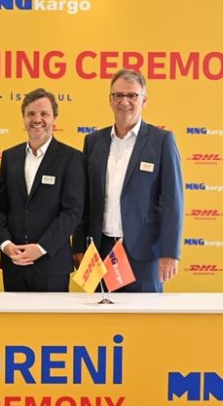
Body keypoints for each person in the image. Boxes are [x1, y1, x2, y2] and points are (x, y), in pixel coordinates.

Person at [74, 68, 183, 292]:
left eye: (132, 95)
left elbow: (173, 202)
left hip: (144, 253)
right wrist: (78, 245)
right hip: (100, 251)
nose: (124, 102)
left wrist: (170, 252)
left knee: (144, 315)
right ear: (110, 100)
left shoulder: (161, 141)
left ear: (144, 100)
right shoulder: (93, 142)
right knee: (100, 313)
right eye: (118, 95)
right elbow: (84, 199)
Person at [0, 88, 84, 292]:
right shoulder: (10, 157)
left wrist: (41, 248)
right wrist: (5, 244)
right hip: (14, 263)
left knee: (52, 316)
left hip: (51, 264)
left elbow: (72, 212)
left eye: (44, 114)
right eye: (31, 113)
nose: (37, 119)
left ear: (54, 118)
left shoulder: (71, 158)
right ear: (24, 118)